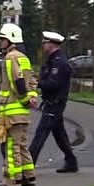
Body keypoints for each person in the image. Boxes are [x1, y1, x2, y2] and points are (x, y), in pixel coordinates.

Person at [0, 22, 39, 186]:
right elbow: (31, 79)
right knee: (21, 144)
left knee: (11, 146)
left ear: (10, 40)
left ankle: (12, 180)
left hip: (12, 110)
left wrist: (24, 98)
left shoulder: (10, 58)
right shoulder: (23, 57)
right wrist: (32, 97)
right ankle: (28, 176)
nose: (0, 43)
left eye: (2, 39)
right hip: (22, 111)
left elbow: (17, 82)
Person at [29, 31, 78, 173]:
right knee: (59, 134)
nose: (43, 45)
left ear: (51, 44)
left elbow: (53, 83)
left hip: (55, 103)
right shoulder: (52, 60)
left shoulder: (59, 63)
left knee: (41, 133)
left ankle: (28, 165)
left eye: (45, 43)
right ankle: (71, 162)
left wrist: (37, 83)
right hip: (52, 102)